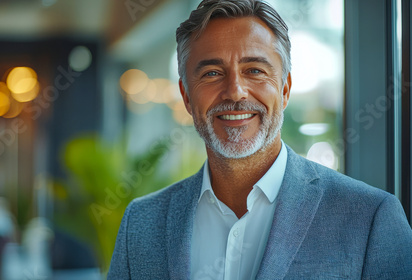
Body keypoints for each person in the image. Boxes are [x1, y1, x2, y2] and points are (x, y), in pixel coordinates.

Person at [107, 0, 412, 279]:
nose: (235, 91)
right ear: (187, 96)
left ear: (285, 89)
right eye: (212, 73)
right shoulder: (141, 224)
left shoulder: (371, 218)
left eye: (254, 70)